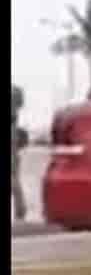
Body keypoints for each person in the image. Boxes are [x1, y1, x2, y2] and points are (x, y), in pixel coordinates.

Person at [11, 84, 28, 223]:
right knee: (14, 177)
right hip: (13, 142)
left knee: (13, 178)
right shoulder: (16, 91)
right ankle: (20, 209)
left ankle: (20, 209)